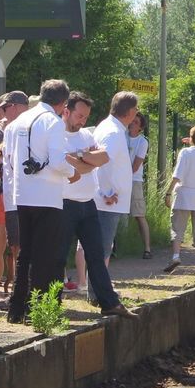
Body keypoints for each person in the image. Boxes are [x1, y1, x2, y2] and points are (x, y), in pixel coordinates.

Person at [3, 80, 75, 324]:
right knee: (44, 255)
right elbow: (57, 161)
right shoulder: (53, 121)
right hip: (47, 196)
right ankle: (38, 310)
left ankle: (16, 308)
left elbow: (11, 161)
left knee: (25, 253)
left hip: (22, 194)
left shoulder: (19, 121)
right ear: (62, 103)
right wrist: (71, 171)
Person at [60, 92, 130, 316]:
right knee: (58, 255)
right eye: (80, 115)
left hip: (87, 202)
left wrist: (79, 156)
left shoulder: (85, 136)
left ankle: (108, 302)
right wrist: (85, 160)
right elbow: (77, 166)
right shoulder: (57, 135)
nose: (83, 121)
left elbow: (101, 159)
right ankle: (52, 303)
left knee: (97, 254)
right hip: (64, 203)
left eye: (86, 117)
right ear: (66, 111)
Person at [0, 91, 29, 309]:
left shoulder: (27, 131)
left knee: (18, 250)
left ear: (19, 107)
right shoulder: (5, 133)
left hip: (22, 200)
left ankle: (19, 294)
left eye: (6, 107)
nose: (2, 112)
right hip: (2, 199)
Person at [94, 91, 138, 271]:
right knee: (103, 248)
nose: (137, 113)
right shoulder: (112, 132)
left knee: (105, 247)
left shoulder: (113, 128)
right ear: (128, 112)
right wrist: (106, 192)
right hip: (107, 202)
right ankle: (98, 292)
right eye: (136, 109)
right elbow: (101, 162)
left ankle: (99, 289)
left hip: (110, 200)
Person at [163, 124, 195, 271]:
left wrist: (168, 192)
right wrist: (194, 142)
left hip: (183, 195)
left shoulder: (184, 153)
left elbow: (177, 174)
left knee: (177, 227)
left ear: (191, 138)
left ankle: (175, 256)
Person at [127, 112, 153, 259]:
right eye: (131, 120)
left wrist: (123, 175)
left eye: (136, 122)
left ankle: (147, 248)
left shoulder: (142, 142)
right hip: (119, 181)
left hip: (134, 181)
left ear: (141, 127)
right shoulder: (121, 136)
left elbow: (136, 165)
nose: (132, 123)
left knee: (139, 215)